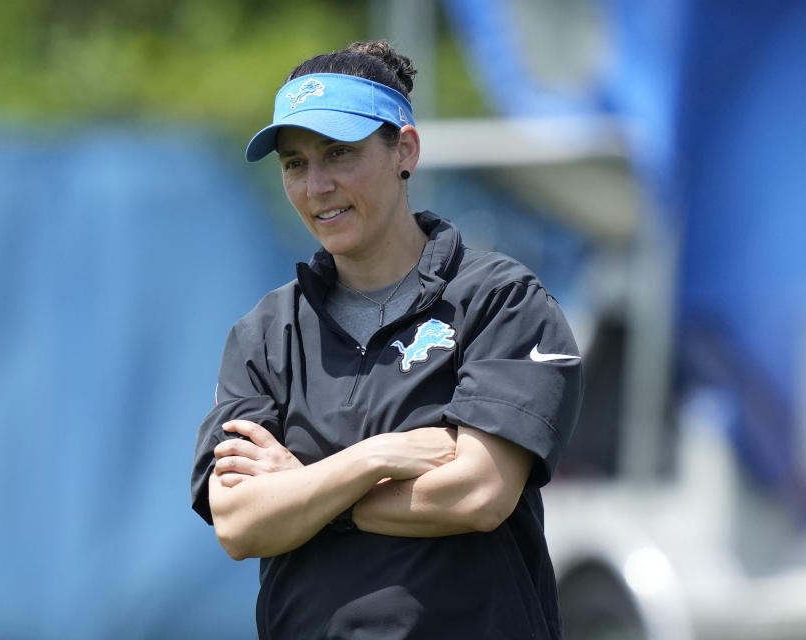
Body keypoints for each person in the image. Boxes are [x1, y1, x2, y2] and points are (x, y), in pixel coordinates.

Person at [191, 40, 583, 639]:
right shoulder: (265, 334)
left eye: (339, 153)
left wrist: (302, 489)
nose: (315, 185)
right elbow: (241, 523)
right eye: (294, 163)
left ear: (405, 149)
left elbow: (477, 494)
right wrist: (376, 458)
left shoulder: (500, 299)